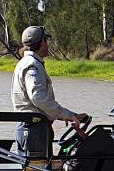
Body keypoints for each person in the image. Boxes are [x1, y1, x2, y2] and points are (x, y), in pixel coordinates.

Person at [11, 25, 89, 158]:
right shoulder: (32, 65)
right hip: (34, 130)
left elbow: (39, 103)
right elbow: (38, 97)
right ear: (42, 42)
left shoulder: (26, 62)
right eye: (46, 41)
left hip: (32, 128)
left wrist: (70, 115)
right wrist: (66, 114)